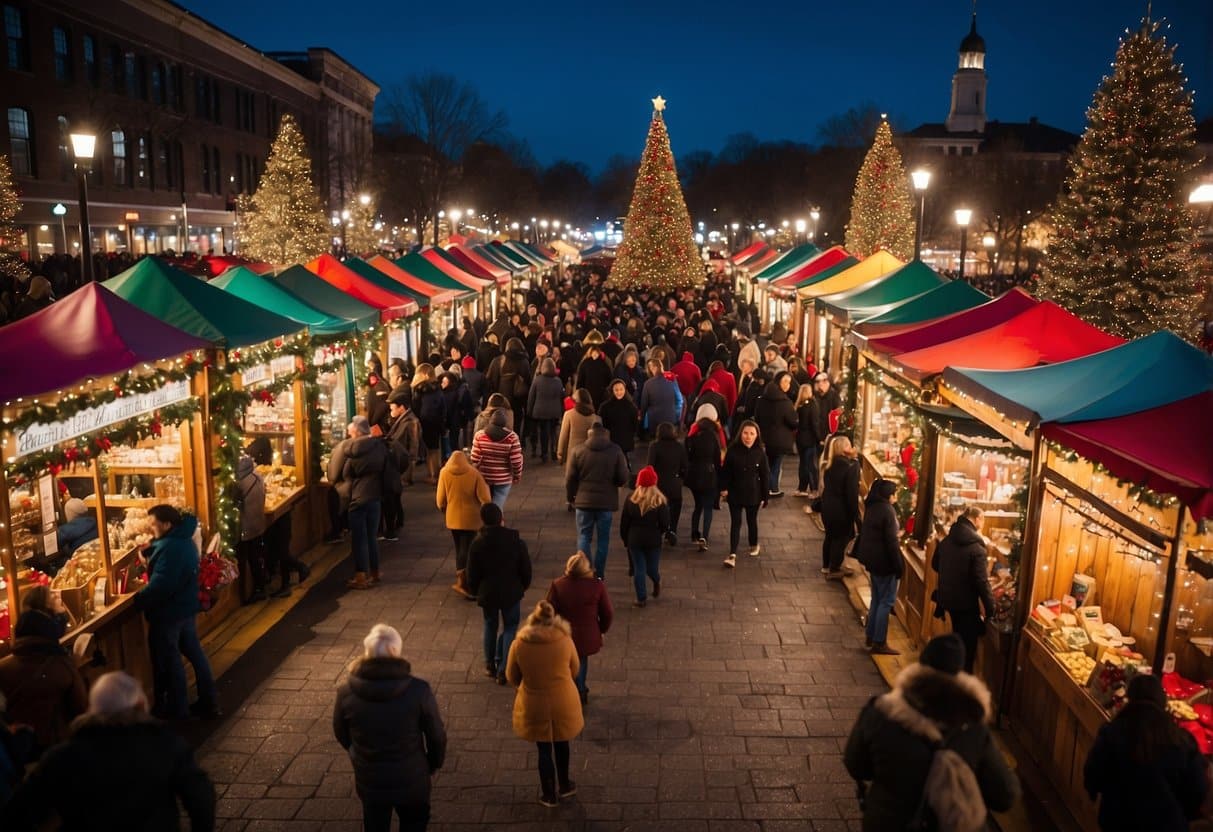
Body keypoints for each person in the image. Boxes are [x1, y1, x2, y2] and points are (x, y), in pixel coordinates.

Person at [843, 634, 1019, 832]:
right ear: (959, 674)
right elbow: (1005, 795)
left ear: (921, 665)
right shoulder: (973, 730)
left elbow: (855, 765)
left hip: (887, 823)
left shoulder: (881, 713)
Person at [1, 671, 216, 831]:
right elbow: (201, 796)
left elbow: (19, 809)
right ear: (140, 705)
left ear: (93, 709)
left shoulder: (63, 757)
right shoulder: (164, 745)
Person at [333, 624, 447, 832]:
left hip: (371, 778)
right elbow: (436, 735)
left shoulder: (346, 692)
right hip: (412, 777)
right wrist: (432, 763)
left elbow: (341, 732)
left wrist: (357, 754)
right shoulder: (418, 690)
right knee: (414, 822)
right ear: (396, 651)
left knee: (375, 824)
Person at [1084, 674, 1209, 832]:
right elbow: (1197, 788)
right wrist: (1182, 812)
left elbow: (1093, 773)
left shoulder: (1112, 732)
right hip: (1166, 825)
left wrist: (1095, 793)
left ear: (1130, 699)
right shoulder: (1182, 740)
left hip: (1117, 820)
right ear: (1162, 702)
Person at [133, 505, 219, 720]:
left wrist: (138, 599)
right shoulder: (182, 540)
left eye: (154, 523)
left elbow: (162, 584)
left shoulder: (171, 548)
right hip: (185, 608)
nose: (151, 527)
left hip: (170, 613)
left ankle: (178, 710)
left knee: (172, 662)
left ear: (167, 524)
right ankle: (208, 701)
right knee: (196, 656)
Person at [505, 600, 584, 808]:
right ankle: (565, 785)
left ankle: (548, 795)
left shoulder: (519, 644)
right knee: (562, 742)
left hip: (534, 702)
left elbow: (511, 675)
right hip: (563, 700)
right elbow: (575, 668)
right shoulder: (565, 640)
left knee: (543, 749)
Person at [0, 586, 87, 752]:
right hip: (57, 750)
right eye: (53, 598)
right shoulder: (62, 666)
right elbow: (81, 709)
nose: (57, 596)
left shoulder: (3, 669)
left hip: (18, 753)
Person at [466, 503, 532, 685]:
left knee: (490, 624)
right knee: (510, 626)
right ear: (501, 518)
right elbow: (525, 568)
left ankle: (489, 664)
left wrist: (474, 590)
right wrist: (523, 585)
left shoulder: (478, 543)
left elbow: (471, 573)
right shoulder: (516, 541)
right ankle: (504, 667)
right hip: (511, 591)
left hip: (488, 592)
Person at [932, 506, 996, 674]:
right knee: (968, 649)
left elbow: (934, 564)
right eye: (983, 520)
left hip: (948, 599)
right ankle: (961, 682)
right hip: (967, 604)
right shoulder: (977, 548)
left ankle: (953, 675)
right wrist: (991, 609)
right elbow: (981, 582)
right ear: (976, 520)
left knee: (957, 638)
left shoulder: (947, 540)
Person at [328, 416, 389, 591]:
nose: (348, 434)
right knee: (371, 536)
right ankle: (375, 572)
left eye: (350, 431)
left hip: (357, 499)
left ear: (356, 432)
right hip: (375, 497)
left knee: (359, 539)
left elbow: (338, 474)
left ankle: (361, 576)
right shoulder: (378, 446)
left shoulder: (350, 451)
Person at [546, 552, 613, 705]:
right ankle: (579, 690)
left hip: (563, 634)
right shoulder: (596, 585)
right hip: (587, 635)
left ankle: (572, 690)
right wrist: (601, 629)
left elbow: (548, 610)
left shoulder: (558, 585)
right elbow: (608, 612)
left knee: (565, 662)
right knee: (581, 661)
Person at [566, 422, 629, 579]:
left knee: (583, 536)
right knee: (603, 540)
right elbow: (622, 477)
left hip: (583, 501)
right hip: (606, 503)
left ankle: (585, 570)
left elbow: (570, 478)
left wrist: (571, 497)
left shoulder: (578, 450)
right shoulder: (616, 451)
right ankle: (599, 574)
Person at [856, 479, 902, 655]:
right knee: (886, 602)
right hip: (885, 563)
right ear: (888, 495)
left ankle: (871, 635)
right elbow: (891, 542)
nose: (896, 497)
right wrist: (898, 566)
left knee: (877, 599)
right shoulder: (887, 511)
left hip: (873, 561)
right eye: (894, 494)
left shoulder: (872, 507)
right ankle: (879, 641)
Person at [436, 450, 491, 599]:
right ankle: (470, 581)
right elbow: (485, 497)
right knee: (470, 548)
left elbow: (440, 500)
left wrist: (444, 509)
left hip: (453, 519)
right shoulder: (474, 473)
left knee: (459, 547)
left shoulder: (444, 473)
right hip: (473, 519)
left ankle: (462, 580)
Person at [719, 420, 769, 569]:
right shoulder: (733, 451)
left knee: (751, 520)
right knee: (736, 522)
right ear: (740, 433)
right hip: (735, 492)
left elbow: (765, 475)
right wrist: (724, 488)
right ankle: (732, 553)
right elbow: (726, 472)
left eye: (752, 433)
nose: (748, 437)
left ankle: (753, 544)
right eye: (745, 433)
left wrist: (765, 496)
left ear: (756, 435)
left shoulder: (760, 453)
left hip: (754, 493)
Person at [619, 466, 671, 608]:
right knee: (651, 568)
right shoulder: (660, 501)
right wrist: (659, 533)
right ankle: (656, 581)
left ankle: (641, 598)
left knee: (639, 568)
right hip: (653, 540)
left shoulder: (631, 499)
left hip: (634, 539)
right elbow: (665, 523)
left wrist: (625, 538)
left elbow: (624, 522)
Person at [235, 455, 277, 601]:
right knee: (258, 555)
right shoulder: (257, 476)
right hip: (258, 523)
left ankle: (255, 590)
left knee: (249, 558)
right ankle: (263, 582)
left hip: (246, 526)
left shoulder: (240, 484)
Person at [685, 403, 724, 552]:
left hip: (694, 475)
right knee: (708, 508)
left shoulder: (693, 435)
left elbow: (687, 455)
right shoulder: (714, 436)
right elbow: (717, 459)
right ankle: (705, 537)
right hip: (709, 475)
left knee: (698, 506)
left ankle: (694, 534)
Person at [820, 435, 860, 580]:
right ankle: (834, 568)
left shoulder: (830, 464)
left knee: (830, 536)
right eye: (849, 445)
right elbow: (851, 493)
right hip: (841, 509)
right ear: (844, 449)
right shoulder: (850, 466)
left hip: (828, 506)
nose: (852, 448)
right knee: (841, 538)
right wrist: (855, 514)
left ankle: (826, 565)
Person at [753, 370, 797, 497]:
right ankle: (773, 488)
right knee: (776, 465)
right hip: (781, 439)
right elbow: (793, 421)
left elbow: (757, 417)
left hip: (765, 438)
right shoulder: (785, 402)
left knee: (767, 464)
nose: (787, 385)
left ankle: (766, 488)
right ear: (779, 382)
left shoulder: (762, 399)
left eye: (789, 382)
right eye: (785, 381)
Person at [470, 408, 524, 509]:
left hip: (484, 477)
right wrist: (517, 475)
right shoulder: (512, 438)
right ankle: (496, 520)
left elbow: (475, 458)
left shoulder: (479, 435)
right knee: (497, 507)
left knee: (485, 505)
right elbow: (516, 461)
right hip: (503, 479)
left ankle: (486, 521)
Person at [646, 421, 687, 543]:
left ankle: (659, 530)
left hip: (659, 485)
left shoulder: (654, 446)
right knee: (675, 507)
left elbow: (650, 466)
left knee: (657, 508)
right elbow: (684, 465)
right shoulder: (679, 446)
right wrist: (680, 478)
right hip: (674, 483)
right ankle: (672, 530)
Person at [411, 364, 447, 484]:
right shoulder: (437, 388)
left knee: (430, 450)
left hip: (426, 422)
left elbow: (417, 408)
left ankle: (433, 475)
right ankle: (434, 474)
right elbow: (442, 407)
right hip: (436, 422)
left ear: (425, 375)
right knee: (435, 449)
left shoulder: (420, 389)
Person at [526, 357, 566, 462]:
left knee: (543, 433)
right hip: (555, 411)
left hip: (540, 411)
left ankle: (544, 454)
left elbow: (531, 397)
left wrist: (529, 411)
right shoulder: (558, 381)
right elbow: (562, 397)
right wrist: (562, 411)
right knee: (553, 432)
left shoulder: (537, 380)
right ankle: (553, 451)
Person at [386, 386, 421, 493]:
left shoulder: (411, 421)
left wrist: (407, 475)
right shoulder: (402, 419)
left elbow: (413, 446)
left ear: (401, 408)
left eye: (392, 408)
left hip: (403, 465)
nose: (391, 411)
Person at [597, 379, 640, 466]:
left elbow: (635, 424)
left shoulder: (631, 406)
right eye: (616, 390)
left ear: (625, 390)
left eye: (621, 389)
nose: (619, 392)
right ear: (612, 391)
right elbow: (602, 423)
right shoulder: (605, 407)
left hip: (625, 440)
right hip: (610, 439)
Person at [557, 388, 599, 471]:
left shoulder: (569, 414)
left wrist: (560, 454)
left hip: (573, 454)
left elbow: (563, 436)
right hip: (590, 455)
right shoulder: (595, 418)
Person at [638, 359, 683, 436]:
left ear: (653, 368)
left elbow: (644, 405)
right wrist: (676, 415)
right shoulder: (672, 380)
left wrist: (641, 420)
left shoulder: (648, 384)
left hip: (654, 422)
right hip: (671, 419)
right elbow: (680, 400)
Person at [793, 383, 822, 498]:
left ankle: (802, 488)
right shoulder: (812, 405)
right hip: (809, 439)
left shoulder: (798, 405)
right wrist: (819, 438)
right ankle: (814, 489)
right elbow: (814, 423)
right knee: (811, 465)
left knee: (803, 464)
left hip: (800, 439)